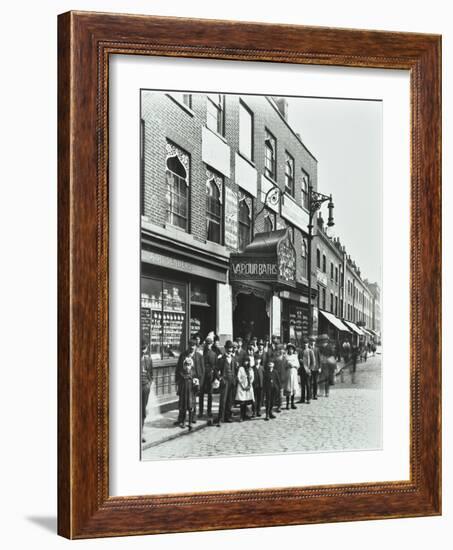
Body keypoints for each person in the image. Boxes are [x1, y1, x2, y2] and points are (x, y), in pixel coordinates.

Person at [175, 339, 205, 426]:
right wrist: (177, 381)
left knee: (193, 400)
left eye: (194, 346)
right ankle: (181, 419)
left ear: (196, 347)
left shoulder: (199, 356)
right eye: (190, 346)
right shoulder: (183, 355)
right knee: (183, 401)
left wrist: (200, 383)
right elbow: (178, 369)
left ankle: (192, 418)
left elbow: (202, 371)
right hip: (184, 381)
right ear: (188, 346)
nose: (192, 348)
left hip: (195, 381)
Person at [215, 340, 238, 426]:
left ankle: (227, 417)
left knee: (230, 400)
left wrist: (235, 379)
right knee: (223, 400)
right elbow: (216, 370)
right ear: (225, 348)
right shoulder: (221, 359)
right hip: (224, 382)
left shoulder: (233, 359)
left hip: (231, 381)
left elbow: (235, 370)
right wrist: (220, 378)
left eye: (231, 348)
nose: (230, 350)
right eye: (228, 348)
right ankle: (220, 418)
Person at [175, 356, 200, 430]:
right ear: (184, 365)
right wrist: (179, 391)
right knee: (183, 408)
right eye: (186, 365)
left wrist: (196, 385)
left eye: (189, 365)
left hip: (191, 392)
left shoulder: (193, 373)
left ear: (191, 365)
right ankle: (183, 422)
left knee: (190, 407)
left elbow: (196, 382)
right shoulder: (181, 373)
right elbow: (179, 383)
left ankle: (190, 422)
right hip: (183, 392)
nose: (187, 366)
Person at [199, 336, 217, 418]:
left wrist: (214, 376)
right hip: (202, 375)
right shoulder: (201, 353)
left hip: (210, 375)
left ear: (212, 344)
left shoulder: (213, 354)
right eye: (207, 344)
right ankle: (201, 411)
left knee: (210, 394)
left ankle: (209, 411)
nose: (208, 345)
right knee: (201, 393)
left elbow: (215, 366)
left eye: (209, 344)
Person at [140, 342, 153, 442]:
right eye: (141, 348)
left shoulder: (148, 359)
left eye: (144, 348)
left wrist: (149, 383)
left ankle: (141, 432)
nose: (142, 351)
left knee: (143, 409)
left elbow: (151, 373)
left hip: (145, 386)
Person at [284, 343, 299, 409]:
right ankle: (287, 404)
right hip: (288, 372)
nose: (291, 351)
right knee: (288, 388)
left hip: (294, 372)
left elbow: (298, 365)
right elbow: (284, 365)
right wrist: (288, 365)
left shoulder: (295, 356)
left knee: (293, 388)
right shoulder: (286, 357)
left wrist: (294, 365)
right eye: (289, 349)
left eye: (292, 349)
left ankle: (292, 403)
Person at [298, 338, 314, 404]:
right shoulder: (301, 351)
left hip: (307, 370)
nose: (305, 344)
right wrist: (300, 360)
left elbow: (313, 361)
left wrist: (310, 369)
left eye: (306, 343)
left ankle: (308, 398)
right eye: (304, 343)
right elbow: (298, 358)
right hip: (302, 370)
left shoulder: (310, 351)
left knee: (308, 384)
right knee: (302, 385)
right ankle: (302, 398)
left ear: (308, 344)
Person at [273, 344, 287, 412]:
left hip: (282, 377)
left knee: (280, 392)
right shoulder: (276, 358)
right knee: (276, 391)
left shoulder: (285, 358)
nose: (281, 351)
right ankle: (276, 403)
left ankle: (279, 406)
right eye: (280, 349)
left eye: (282, 349)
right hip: (276, 377)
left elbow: (286, 367)